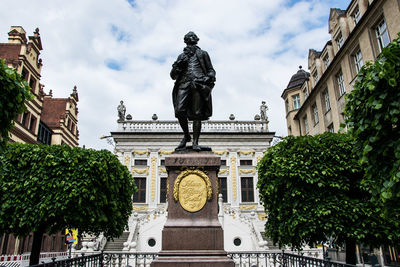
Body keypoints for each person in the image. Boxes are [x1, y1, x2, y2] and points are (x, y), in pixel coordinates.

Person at [170, 31, 216, 151]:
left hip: (198, 84)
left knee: (197, 114)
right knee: (179, 110)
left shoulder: (203, 54)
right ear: (185, 41)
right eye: (189, 37)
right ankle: (186, 136)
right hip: (183, 84)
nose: (191, 38)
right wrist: (177, 65)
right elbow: (173, 76)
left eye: (193, 37)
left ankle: (195, 142)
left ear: (196, 40)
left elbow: (211, 70)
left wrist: (208, 77)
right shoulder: (181, 57)